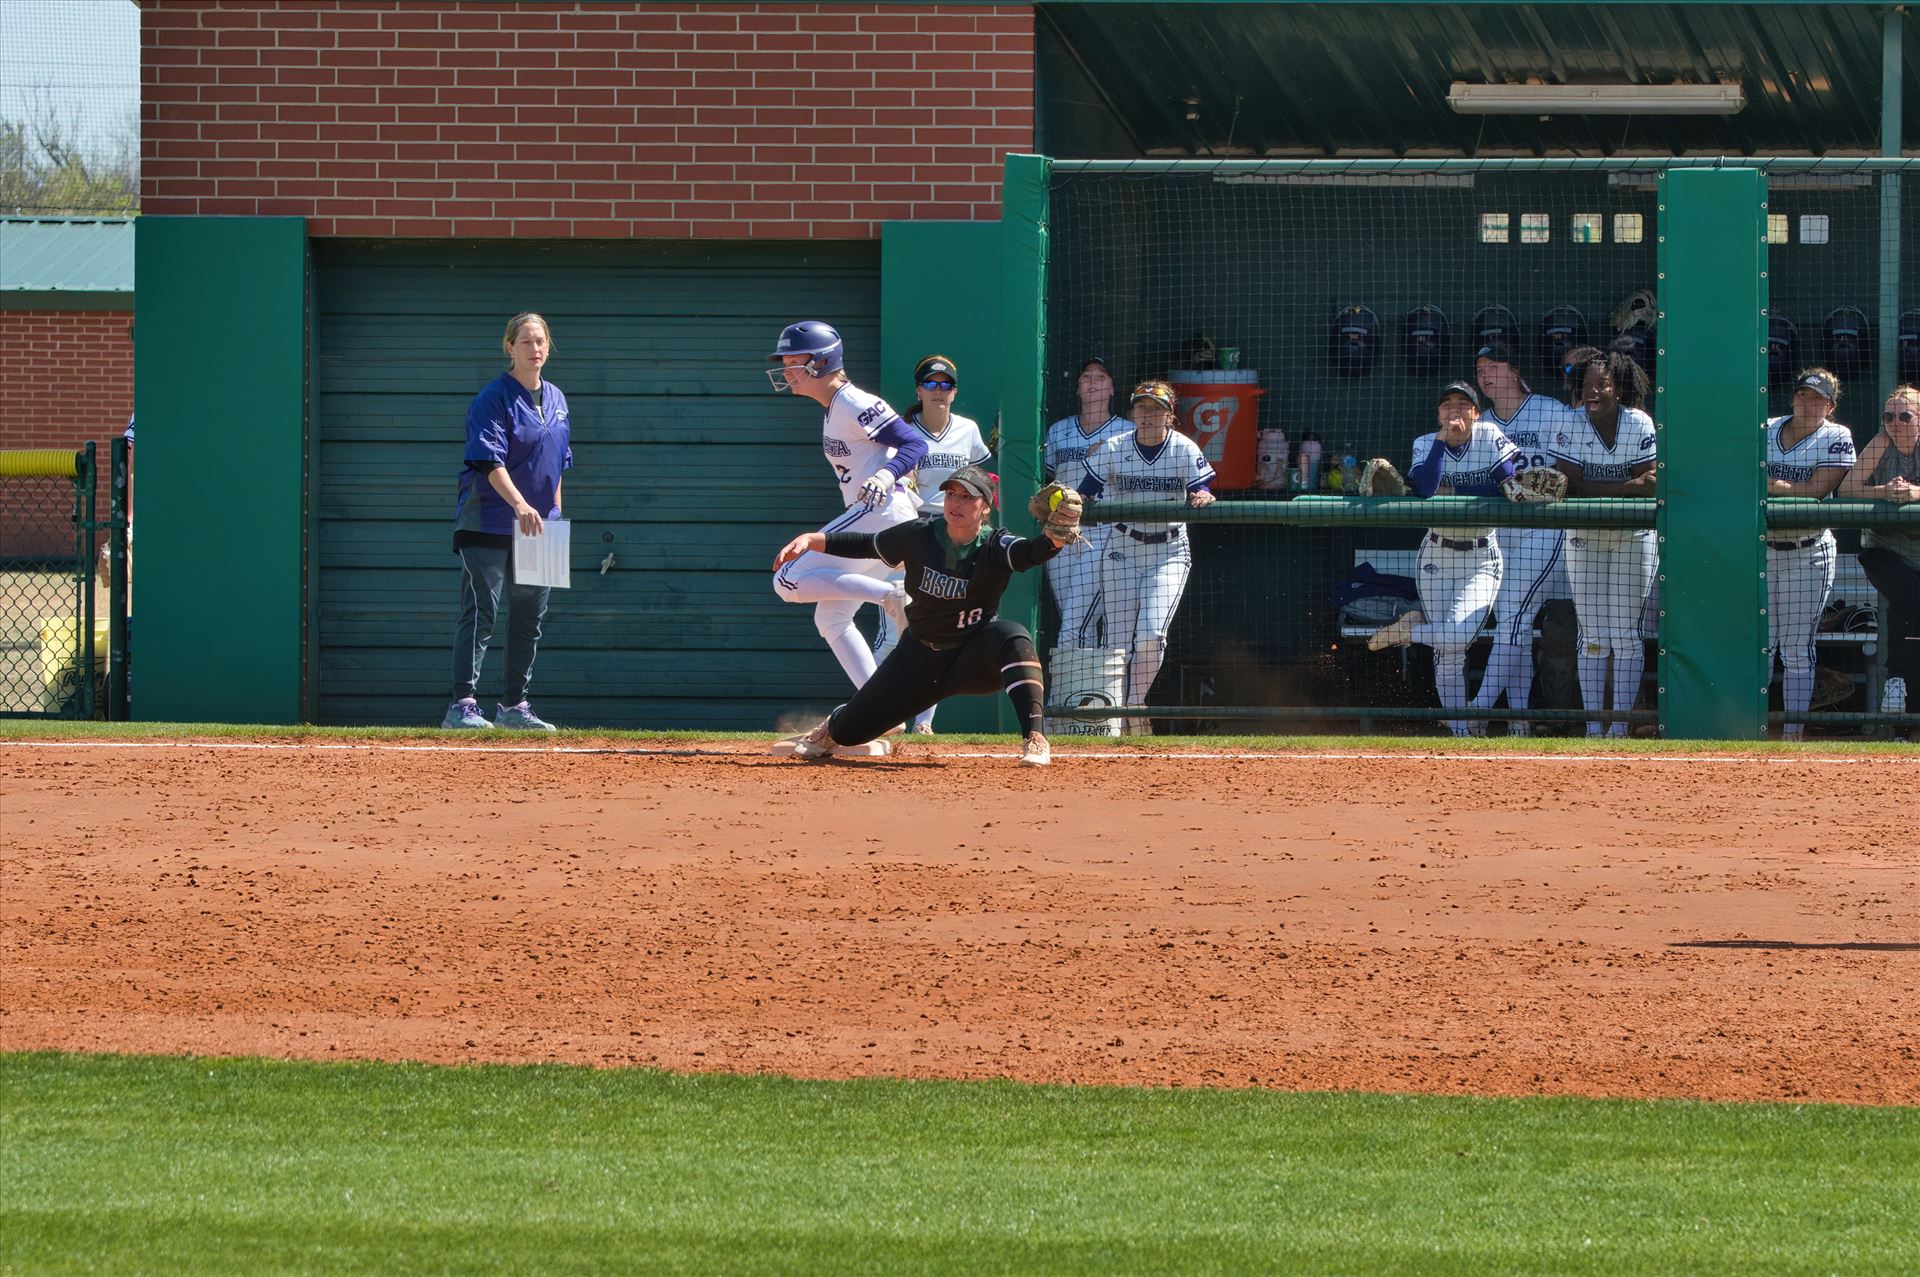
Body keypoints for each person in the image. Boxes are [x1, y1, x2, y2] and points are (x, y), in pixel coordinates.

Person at [773, 466, 1066, 766]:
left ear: (985, 509)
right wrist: (813, 539)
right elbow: (866, 544)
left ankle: (1036, 738)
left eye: (968, 497)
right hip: (917, 659)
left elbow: (1030, 551)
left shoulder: (995, 545)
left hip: (970, 658)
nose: (956, 502)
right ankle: (830, 728)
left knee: (1012, 635)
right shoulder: (919, 535)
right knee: (850, 730)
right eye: (952, 494)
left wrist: (1054, 540)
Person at [766, 320, 927, 694]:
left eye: (793, 361)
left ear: (820, 364)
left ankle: (891, 596)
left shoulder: (854, 401)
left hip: (881, 511)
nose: (786, 370)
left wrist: (886, 476)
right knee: (833, 618)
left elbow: (914, 444)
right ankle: (878, 708)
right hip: (877, 515)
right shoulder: (834, 406)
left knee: (787, 579)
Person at [1366, 381, 1521, 735]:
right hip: (1437, 553)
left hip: (1481, 555)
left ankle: (1412, 631)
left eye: (1463, 404)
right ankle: (1460, 733)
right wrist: (1441, 441)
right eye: (1447, 404)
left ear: (1476, 413)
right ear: (1438, 413)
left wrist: (1456, 490)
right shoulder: (1426, 442)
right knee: (1449, 655)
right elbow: (1424, 487)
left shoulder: (1488, 435)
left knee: (1457, 637)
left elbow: (1507, 483)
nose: (1454, 410)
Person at [443, 312, 571, 731]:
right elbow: (487, 460)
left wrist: (553, 519)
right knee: (482, 612)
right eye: (526, 342)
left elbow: (557, 468)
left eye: (540, 342)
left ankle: (515, 707)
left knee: (529, 619)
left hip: (541, 526)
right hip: (489, 522)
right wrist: (519, 506)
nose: (535, 349)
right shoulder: (493, 397)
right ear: (510, 347)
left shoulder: (558, 399)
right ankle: (462, 706)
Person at [1077, 379, 1216, 736]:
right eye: (1142, 407)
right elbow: (1085, 492)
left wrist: (1201, 495)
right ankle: (1118, 716)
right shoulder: (1115, 446)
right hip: (1123, 547)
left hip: (1168, 550)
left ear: (1171, 416)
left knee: (1152, 634)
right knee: (1118, 641)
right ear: (1132, 413)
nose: (1149, 414)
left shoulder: (1184, 449)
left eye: (1157, 408)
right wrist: (1070, 502)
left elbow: (1201, 486)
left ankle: (1134, 706)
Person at [871, 353, 993, 734]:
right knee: (894, 626)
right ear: (918, 390)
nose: (939, 391)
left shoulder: (968, 430)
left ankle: (923, 723)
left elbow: (983, 479)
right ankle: (873, 711)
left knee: (938, 630)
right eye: (931, 384)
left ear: (954, 392)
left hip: (952, 535)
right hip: (911, 530)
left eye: (946, 385)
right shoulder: (903, 430)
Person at [1466, 342, 1578, 735]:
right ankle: (1518, 721)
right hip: (1501, 534)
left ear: (1515, 371)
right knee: (1514, 622)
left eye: (1493, 366)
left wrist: (1518, 487)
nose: (1485, 375)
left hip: (1544, 529)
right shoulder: (1482, 425)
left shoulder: (1551, 412)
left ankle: (1477, 710)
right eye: (1480, 370)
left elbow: (1566, 478)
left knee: (1513, 613)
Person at [1550, 350, 1658, 738]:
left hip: (1633, 537)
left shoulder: (1638, 422)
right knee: (1593, 634)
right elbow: (1566, 485)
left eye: (1602, 383)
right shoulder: (1570, 422)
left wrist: (1591, 488)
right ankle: (1595, 729)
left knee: (1626, 634)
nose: (1593, 390)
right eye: (1587, 384)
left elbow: (1653, 485)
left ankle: (1620, 731)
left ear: (1619, 388)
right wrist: (1625, 487)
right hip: (1585, 537)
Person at [1763, 369, 1857, 738]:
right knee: (1762, 646)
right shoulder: (1766, 428)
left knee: (1796, 647)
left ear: (1830, 406)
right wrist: (1790, 486)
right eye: (1803, 394)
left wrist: (1773, 484)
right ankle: (1754, 729)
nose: (1807, 402)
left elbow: (1818, 490)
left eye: (1817, 398)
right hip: (1763, 549)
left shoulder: (1837, 435)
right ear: (1792, 398)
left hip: (1809, 552)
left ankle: (1793, 735)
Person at [1839, 383, 1920, 719]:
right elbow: (1847, 490)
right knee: (1913, 603)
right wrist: (1884, 491)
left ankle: (1903, 695)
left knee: (1908, 612)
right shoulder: (1881, 442)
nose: (1895, 423)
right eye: (1889, 416)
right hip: (1882, 549)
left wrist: (1915, 492)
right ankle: (1897, 683)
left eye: (1904, 416)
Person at [1041, 357, 1132, 652]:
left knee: (1075, 623)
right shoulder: (1058, 431)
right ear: (1078, 387)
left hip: (1103, 534)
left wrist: (1107, 459)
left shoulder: (1127, 432)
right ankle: (1084, 693)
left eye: (1101, 377)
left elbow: (1136, 483)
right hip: (1062, 532)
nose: (1093, 382)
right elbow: (1047, 479)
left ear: (1112, 388)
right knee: (1074, 620)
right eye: (1086, 377)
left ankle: (1067, 695)